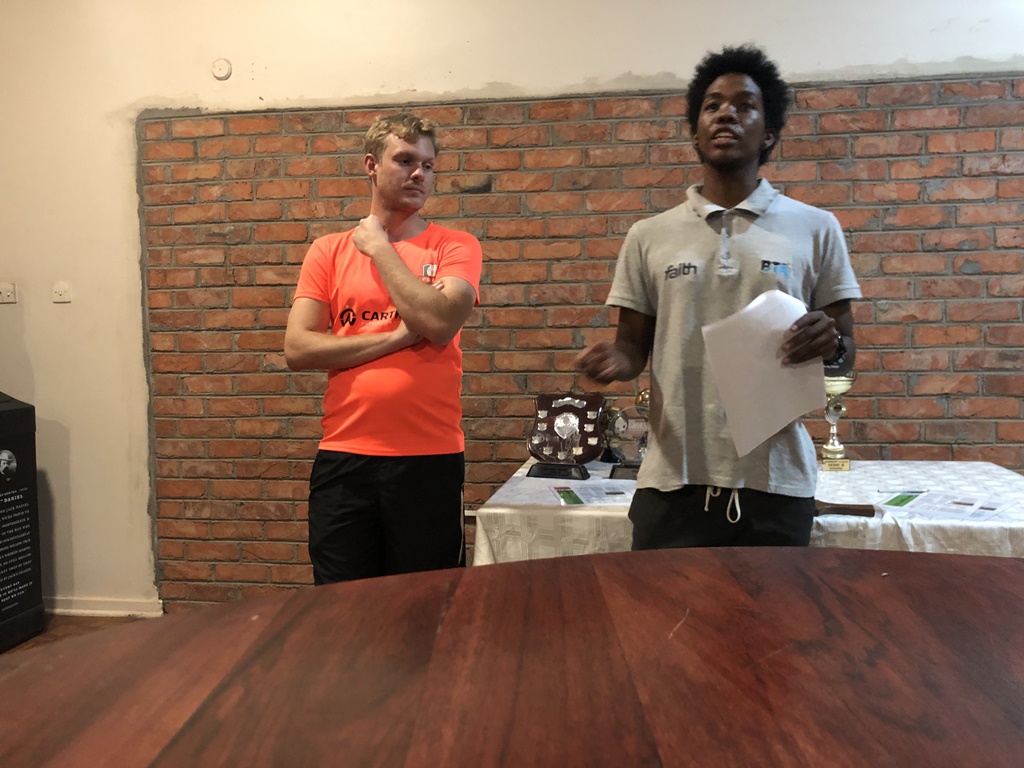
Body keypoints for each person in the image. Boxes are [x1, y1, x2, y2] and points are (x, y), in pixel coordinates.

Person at [578, 46, 862, 550]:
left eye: (745, 105)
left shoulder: (815, 228)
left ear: (769, 132)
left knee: (776, 609)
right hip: (672, 484)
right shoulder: (649, 236)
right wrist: (614, 361)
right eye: (712, 105)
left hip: (776, 485)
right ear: (695, 131)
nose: (726, 114)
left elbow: (845, 354)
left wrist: (831, 342)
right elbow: (631, 348)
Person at [285, 113, 482, 583]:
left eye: (428, 165)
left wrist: (379, 248)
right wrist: (396, 337)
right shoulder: (328, 251)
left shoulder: (455, 246)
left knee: (427, 601)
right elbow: (298, 348)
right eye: (405, 160)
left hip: (427, 460)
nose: (419, 174)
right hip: (344, 456)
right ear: (371, 165)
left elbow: (439, 322)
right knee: (341, 604)